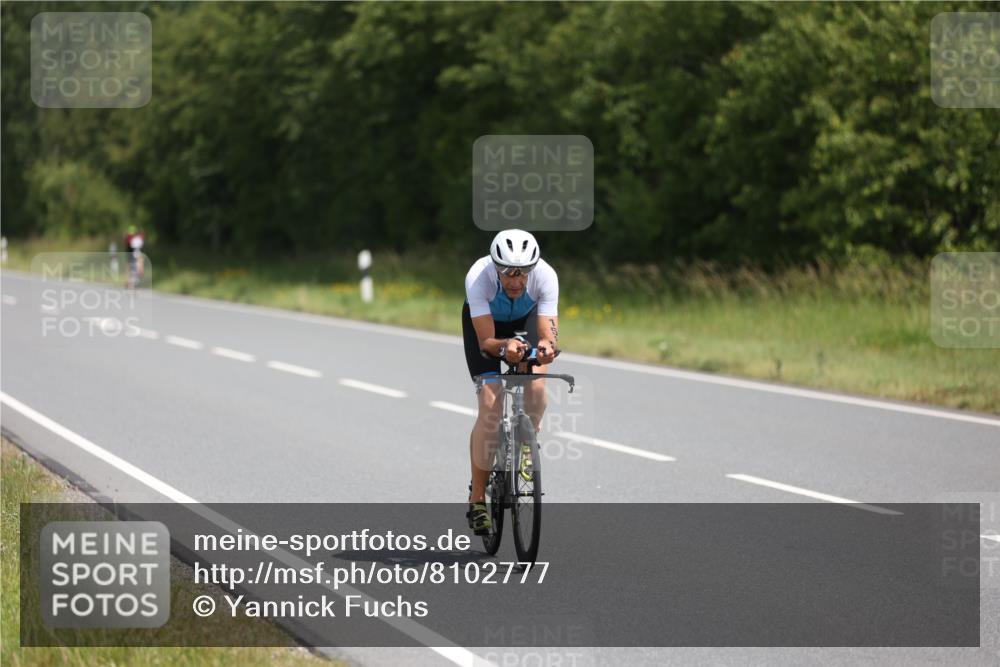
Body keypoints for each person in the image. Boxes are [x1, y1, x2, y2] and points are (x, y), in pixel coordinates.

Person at [462, 229, 560, 534]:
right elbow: (487, 341)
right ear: (495, 267)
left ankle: (526, 442)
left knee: (537, 385)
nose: (517, 280)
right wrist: (505, 347)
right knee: (491, 406)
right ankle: (478, 500)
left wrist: (546, 347)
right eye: (508, 273)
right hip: (487, 329)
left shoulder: (546, 276)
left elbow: (547, 331)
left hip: (525, 322)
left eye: (523, 273)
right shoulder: (479, 277)